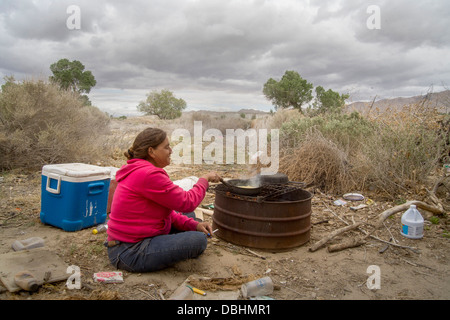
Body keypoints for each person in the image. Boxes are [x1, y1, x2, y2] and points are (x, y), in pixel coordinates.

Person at [106, 127, 220, 272]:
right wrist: (204, 179)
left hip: (130, 240)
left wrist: (194, 225)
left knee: (190, 219)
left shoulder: (141, 169)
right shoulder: (148, 174)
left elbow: (167, 212)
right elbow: (188, 202)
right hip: (130, 251)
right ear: (151, 151)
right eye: (166, 147)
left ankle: (177, 236)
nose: (171, 151)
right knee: (198, 240)